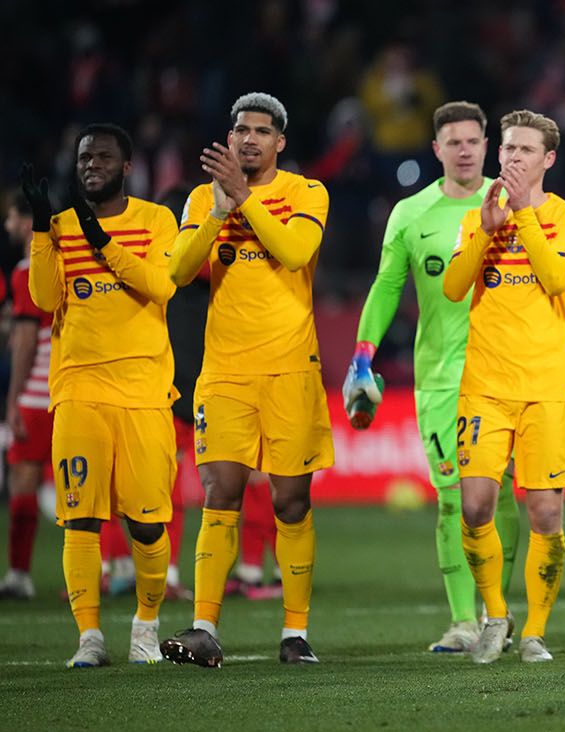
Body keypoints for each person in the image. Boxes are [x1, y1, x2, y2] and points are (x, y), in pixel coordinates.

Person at [344, 100, 521, 653]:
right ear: (437, 149)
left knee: (506, 499)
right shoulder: (410, 214)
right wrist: (362, 354)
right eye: (454, 141)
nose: (465, 149)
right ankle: (463, 620)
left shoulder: (516, 204)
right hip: (442, 379)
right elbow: (386, 287)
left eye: (474, 140)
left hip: (509, 376)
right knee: (454, 500)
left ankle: (498, 612)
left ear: (487, 146)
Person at [162, 92, 332, 666]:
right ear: (229, 139)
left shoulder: (307, 193)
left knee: (290, 502)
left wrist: (244, 199)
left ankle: (294, 633)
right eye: (241, 130)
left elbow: (293, 250)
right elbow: (180, 271)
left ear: (280, 143)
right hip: (226, 372)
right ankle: (203, 626)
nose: (250, 139)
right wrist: (218, 208)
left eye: (262, 131)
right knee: (220, 494)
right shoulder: (200, 197)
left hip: (290, 367)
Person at [23, 123, 180, 666]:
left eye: (103, 157)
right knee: (80, 517)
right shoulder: (60, 227)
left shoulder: (157, 220)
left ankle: (146, 623)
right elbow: (45, 299)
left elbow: (160, 285)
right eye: (85, 157)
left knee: (147, 522)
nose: (91, 164)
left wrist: (101, 242)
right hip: (79, 389)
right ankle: (89, 636)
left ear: (127, 166)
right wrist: (44, 231)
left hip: (144, 392)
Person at [444, 109, 565, 664]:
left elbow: (556, 278)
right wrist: (484, 230)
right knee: (475, 505)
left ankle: (535, 631)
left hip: (548, 386)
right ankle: (496, 616)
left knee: (546, 514)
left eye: (525, 151)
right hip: (484, 384)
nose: (512, 159)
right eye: (508, 150)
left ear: (548, 159)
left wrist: (523, 217)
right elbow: (455, 288)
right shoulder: (478, 219)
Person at [1, 193, 53, 600]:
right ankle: (113, 568)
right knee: (91, 491)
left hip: (37, 395)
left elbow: (24, 341)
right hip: (77, 393)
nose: (7, 226)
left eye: (12, 217)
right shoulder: (66, 262)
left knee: (23, 482)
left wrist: (13, 400)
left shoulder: (26, 271)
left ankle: (19, 574)